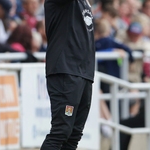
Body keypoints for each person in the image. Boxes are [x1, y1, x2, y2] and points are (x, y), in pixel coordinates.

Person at [41, 0, 95, 150]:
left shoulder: (84, 3)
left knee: (74, 135)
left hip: (84, 73)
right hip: (66, 69)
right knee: (60, 132)